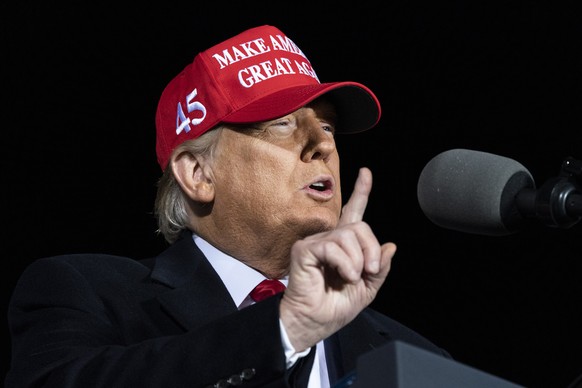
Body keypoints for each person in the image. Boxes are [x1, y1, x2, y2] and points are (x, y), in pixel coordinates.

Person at [5, 25, 450, 388]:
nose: (322, 144)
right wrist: (285, 327)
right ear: (198, 173)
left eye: (328, 126)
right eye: (281, 124)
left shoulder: (416, 357)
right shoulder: (84, 292)